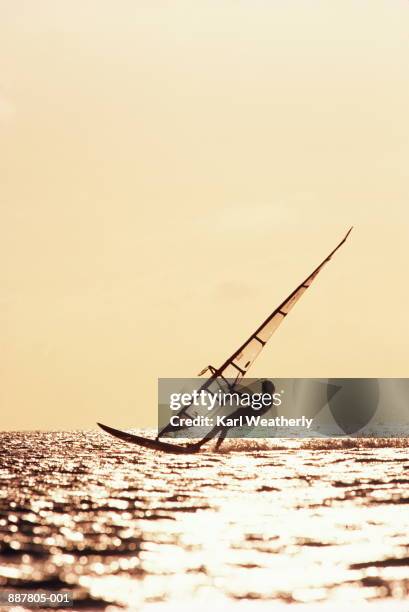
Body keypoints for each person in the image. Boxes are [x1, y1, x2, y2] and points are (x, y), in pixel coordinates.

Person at [190, 379, 276, 451]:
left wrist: (235, 393)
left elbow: (251, 399)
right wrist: (235, 393)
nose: (262, 388)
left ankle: (198, 445)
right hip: (245, 417)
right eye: (263, 387)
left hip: (243, 415)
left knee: (219, 426)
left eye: (263, 387)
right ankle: (216, 447)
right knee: (224, 428)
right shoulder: (269, 398)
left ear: (267, 388)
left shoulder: (267, 398)